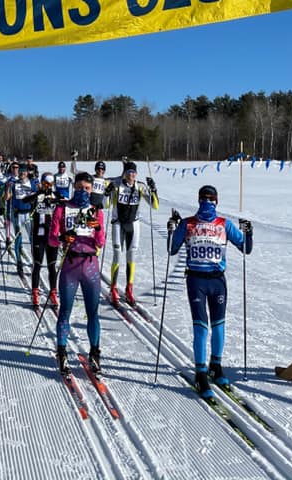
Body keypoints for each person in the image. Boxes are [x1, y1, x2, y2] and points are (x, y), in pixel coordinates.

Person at [168, 184, 253, 399]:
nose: (207, 202)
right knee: (201, 328)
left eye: (211, 198)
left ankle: (216, 365)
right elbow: (172, 249)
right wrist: (172, 230)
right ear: (199, 200)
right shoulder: (188, 224)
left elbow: (245, 248)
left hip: (217, 281)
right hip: (196, 280)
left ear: (216, 201)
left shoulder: (224, 224)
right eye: (204, 198)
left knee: (219, 326)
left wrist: (248, 232)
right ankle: (201, 373)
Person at [49, 172, 106, 375]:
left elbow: (101, 241)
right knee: (65, 310)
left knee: (93, 312)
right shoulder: (63, 208)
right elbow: (52, 239)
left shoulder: (96, 210)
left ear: (92, 190)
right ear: (74, 187)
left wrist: (97, 227)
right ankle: (62, 352)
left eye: (87, 189)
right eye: (80, 188)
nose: (83, 192)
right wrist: (64, 236)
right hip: (70, 265)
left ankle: (94, 353)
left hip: (90, 265)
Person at [107, 160, 159, 305]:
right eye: (129, 172)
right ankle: (113, 288)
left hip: (134, 225)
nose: (131, 175)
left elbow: (154, 206)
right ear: (125, 173)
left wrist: (154, 189)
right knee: (117, 255)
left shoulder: (140, 187)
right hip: (118, 223)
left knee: (131, 256)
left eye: (133, 172)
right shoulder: (118, 186)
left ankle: (129, 289)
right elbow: (106, 205)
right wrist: (108, 192)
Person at [26, 172, 62, 309]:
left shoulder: (55, 196)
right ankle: (35, 293)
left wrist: (54, 201)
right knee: (37, 265)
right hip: (38, 236)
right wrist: (38, 195)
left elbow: (66, 202)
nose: (48, 187)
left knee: (52, 266)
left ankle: (53, 292)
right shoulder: (37, 195)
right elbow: (25, 200)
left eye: (51, 184)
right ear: (41, 183)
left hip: (52, 237)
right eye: (46, 184)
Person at [4, 165, 36, 275]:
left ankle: (34, 263)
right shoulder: (14, 183)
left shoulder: (32, 183)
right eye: (21, 171)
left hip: (28, 215)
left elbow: (36, 197)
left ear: (27, 172)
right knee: (18, 239)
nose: (22, 173)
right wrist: (8, 187)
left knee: (32, 240)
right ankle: (19, 263)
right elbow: (7, 198)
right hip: (17, 215)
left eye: (24, 171)